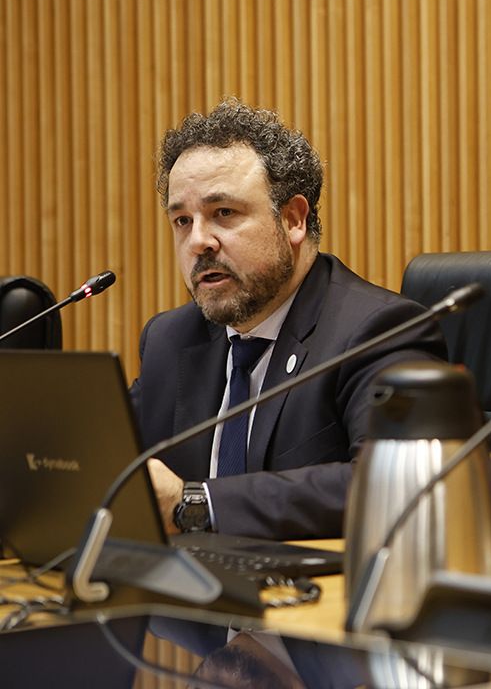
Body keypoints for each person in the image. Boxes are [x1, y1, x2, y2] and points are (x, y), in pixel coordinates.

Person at [131, 98, 448, 541]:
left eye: (224, 213)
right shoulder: (169, 339)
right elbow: (109, 469)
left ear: (294, 219)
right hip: (187, 595)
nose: (198, 241)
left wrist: (196, 505)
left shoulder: (377, 331)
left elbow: (402, 487)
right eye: (182, 220)